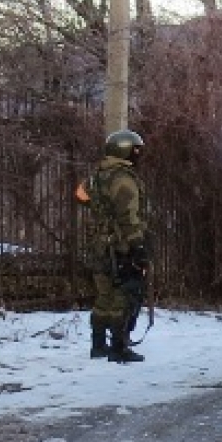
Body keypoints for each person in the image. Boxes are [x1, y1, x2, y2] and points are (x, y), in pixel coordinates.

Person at [83, 128, 149, 364]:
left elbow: (81, 196)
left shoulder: (98, 175)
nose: (138, 154)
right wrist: (138, 248)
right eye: (136, 149)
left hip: (99, 244)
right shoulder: (123, 178)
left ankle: (98, 345)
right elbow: (128, 217)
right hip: (120, 247)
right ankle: (119, 347)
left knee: (103, 296)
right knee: (124, 295)